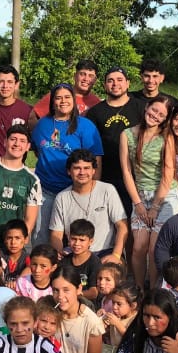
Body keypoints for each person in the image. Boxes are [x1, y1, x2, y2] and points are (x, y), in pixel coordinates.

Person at [31, 84, 104, 243]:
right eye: (58, 97)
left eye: (67, 97)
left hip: (74, 191)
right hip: (45, 190)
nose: (63, 101)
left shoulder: (85, 126)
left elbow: (96, 159)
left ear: (73, 100)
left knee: (74, 239)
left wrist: (93, 190)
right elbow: (38, 150)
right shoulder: (43, 124)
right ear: (52, 102)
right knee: (40, 237)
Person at [120, 95, 177, 287]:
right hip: (140, 195)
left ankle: (153, 289)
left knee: (154, 248)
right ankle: (138, 289)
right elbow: (127, 172)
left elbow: (168, 174)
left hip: (164, 196)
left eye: (161, 114)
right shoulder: (127, 134)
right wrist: (138, 204)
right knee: (138, 247)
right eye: (154, 110)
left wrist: (154, 207)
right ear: (147, 107)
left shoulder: (166, 137)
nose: (155, 115)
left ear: (165, 118)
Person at [48, 150, 128, 259]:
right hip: (74, 252)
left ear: (93, 170)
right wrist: (59, 253)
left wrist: (116, 255)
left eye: (86, 168)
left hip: (105, 252)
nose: (82, 172)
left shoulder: (107, 190)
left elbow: (122, 226)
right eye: (77, 168)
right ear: (69, 171)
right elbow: (56, 234)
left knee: (111, 271)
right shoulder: (62, 197)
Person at [86, 67, 142, 216]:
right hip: (106, 175)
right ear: (105, 85)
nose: (115, 84)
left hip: (135, 175)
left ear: (128, 83)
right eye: (110, 80)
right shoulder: (94, 112)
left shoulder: (140, 108)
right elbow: (91, 148)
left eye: (119, 80)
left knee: (133, 219)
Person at [32, 60, 101, 117]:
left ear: (95, 80)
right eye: (82, 74)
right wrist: (39, 132)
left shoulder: (97, 103)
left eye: (90, 76)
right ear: (75, 76)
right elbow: (33, 115)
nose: (86, 79)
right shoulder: (59, 95)